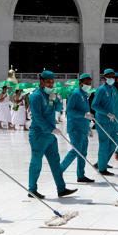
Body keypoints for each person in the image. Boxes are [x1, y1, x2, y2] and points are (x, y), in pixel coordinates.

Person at [27, 70, 78, 198]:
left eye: (52, 82)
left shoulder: (50, 95)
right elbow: (37, 117)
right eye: (48, 82)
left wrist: (57, 100)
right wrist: (50, 129)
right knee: (36, 162)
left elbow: (58, 109)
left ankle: (61, 188)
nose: (51, 84)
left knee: (55, 162)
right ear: (41, 81)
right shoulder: (35, 96)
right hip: (38, 134)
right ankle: (32, 189)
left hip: (50, 135)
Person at [60, 74, 95, 183]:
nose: (88, 85)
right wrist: (84, 115)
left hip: (83, 128)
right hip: (75, 128)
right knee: (75, 151)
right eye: (86, 83)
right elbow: (70, 111)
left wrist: (88, 126)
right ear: (80, 83)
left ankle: (81, 175)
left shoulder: (85, 95)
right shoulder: (76, 94)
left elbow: (86, 112)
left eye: (89, 83)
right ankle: (59, 171)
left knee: (83, 152)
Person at [92, 69, 118, 174]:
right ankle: (102, 168)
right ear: (105, 78)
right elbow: (94, 105)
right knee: (104, 144)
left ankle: (101, 162)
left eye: (113, 76)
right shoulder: (101, 90)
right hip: (103, 120)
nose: (112, 78)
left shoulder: (112, 89)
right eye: (109, 76)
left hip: (111, 121)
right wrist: (106, 113)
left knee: (113, 143)